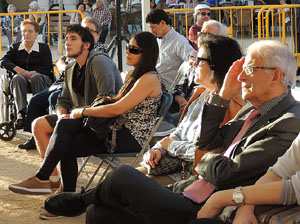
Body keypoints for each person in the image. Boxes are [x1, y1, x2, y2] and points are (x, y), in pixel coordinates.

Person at [43, 40, 300, 224]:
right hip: (189, 191)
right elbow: (208, 141)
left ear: (275, 76)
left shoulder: (289, 121)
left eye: (249, 70)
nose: (241, 78)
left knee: (123, 176)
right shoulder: (252, 110)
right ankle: (87, 201)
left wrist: (207, 161)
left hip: (208, 207)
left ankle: (82, 198)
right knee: (99, 214)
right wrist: (220, 98)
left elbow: (225, 173)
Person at [9, 31, 162, 218]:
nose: (127, 51)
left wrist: (84, 111)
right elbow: (106, 103)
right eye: (128, 46)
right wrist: (75, 114)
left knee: (67, 140)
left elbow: (117, 108)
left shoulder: (149, 78)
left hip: (129, 136)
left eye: (133, 49)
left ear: (147, 53)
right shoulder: (133, 74)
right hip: (113, 128)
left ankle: (56, 190)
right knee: (65, 127)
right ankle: (52, 186)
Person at [14, 24, 122, 191]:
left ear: (86, 45)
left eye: (73, 39)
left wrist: (76, 115)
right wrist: (60, 115)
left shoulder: (99, 61)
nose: (67, 43)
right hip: (79, 118)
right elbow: (63, 100)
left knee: (65, 131)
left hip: (102, 122)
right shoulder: (71, 66)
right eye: (66, 39)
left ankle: (47, 180)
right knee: (39, 125)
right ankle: (52, 179)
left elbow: (106, 98)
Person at [138, 34, 244, 185]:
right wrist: (158, 150)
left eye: (199, 60)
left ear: (216, 65)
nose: (193, 64)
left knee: (126, 184)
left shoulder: (231, 106)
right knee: (120, 179)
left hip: (193, 177)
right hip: (175, 167)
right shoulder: (202, 92)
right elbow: (180, 131)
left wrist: (168, 146)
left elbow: (209, 153)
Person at [18, 17, 105, 150]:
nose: (84, 33)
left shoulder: (98, 52)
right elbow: (60, 60)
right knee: (35, 100)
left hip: (77, 87)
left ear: (98, 34)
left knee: (55, 98)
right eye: (82, 29)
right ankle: (34, 137)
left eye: (89, 30)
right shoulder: (75, 45)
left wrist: (67, 68)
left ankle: (57, 135)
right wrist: (62, 65)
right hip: (60, 83)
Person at [194, 132, 300, 223]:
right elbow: (276, 174)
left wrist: (218, 199)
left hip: (214, 190)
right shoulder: (247, 113)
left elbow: (293, 190)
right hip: (199, 185)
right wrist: (245, 208)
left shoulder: (288, 121)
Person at [0, 19, 53, 129]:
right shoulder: (15, 48)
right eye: (24, 31)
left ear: (36, 34)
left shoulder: (43, 48)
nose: (26, 34)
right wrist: (16, 68)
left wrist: (33, 72)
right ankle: (22, 113)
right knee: (17, 78)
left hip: (40, 79)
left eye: (30, 31)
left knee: (36, 78)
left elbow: (48, 67)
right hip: (21, 80)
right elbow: (3, 61)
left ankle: (38, 111)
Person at [172, 20, 228, 119]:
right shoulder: (194, 62)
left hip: (203, 114)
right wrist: (182, 101)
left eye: (209, 35)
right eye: (201, 34)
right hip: (185, 110)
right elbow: (178, 87)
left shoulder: (223, 67)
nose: (203, 38)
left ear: (221, 40)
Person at [146, 9, 195, 91]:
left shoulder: (179, 41)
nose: (152, 31)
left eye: (153, 27)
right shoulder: (158, 40)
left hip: (167, 87)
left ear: (162, 23)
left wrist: (192, 58)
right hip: (155, 80)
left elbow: (192, 55)